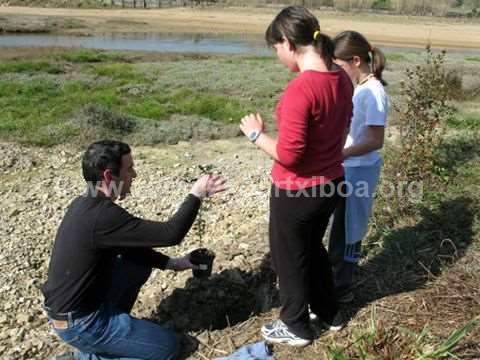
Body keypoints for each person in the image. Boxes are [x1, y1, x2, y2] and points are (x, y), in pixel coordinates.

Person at [42, 140, 227, 360]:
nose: (135, 174)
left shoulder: (85, 203)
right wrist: (196, 194)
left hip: (76, 310)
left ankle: (113, 334)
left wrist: (174, 264)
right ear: (110, 177)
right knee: (168, 348)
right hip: (82, 323)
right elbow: (170, 234)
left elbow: (130, 249)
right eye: (129, 169)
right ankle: (86, 357)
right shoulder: (102, 216)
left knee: (136, 265)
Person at [239, 6, 353, 347]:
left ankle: (295, 326)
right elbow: (343, 127)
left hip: (297, 191)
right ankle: (329, 312)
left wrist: (256, 135)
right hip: (331, 184)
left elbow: (289, 155)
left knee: (287, 258)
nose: (277, 56)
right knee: (313, 249)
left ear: (288, 43)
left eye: (276, 48)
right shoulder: (341, 79)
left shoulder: (301, 90)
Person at [328, 31, 389, 303]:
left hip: (359, 169)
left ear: (355, 60)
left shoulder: (373, 92)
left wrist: (341, 154)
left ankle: (342, 288)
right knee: (340, 226)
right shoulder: (361, 88)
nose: (336, 72)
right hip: (350, 166)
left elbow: (376, 140)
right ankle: (338, 280)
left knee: (350, 229)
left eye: (338, 66)